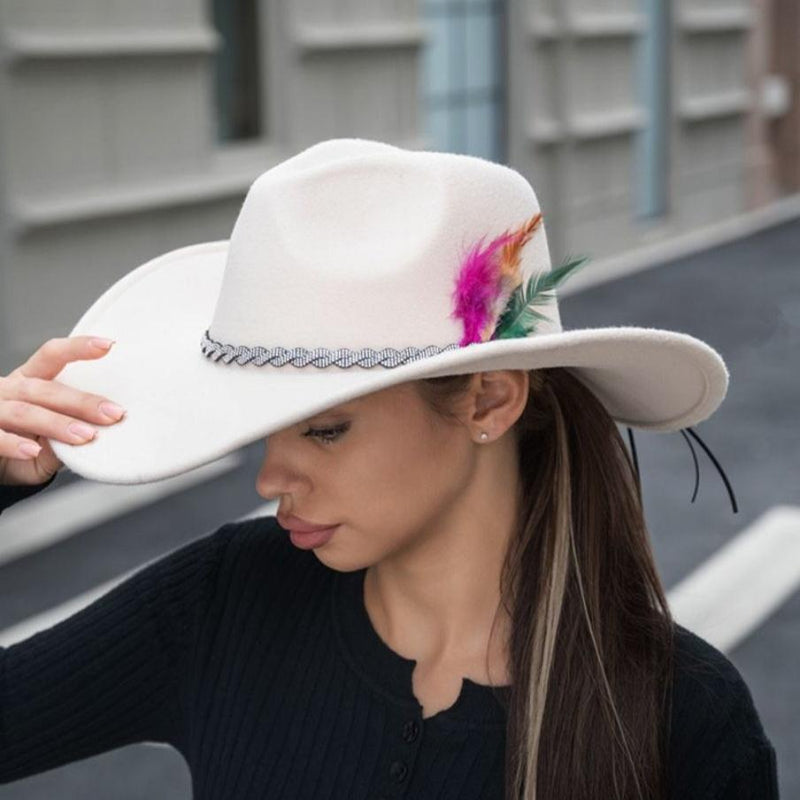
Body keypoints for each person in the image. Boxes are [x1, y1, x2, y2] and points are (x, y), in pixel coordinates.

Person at [0, 138, 779, 799]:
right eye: (266, 430)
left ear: (488, 402)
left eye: (327, 430)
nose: (271, 479)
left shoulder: (682, 714)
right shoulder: (223, 602)